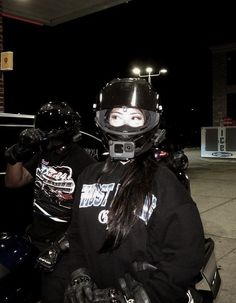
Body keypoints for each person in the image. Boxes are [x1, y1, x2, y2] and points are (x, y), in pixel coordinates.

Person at [55, 78, 205, 303]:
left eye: (135, 118)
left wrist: (142, 295)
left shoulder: (164, 183)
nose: (124, 126)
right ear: (104, 121)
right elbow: (76, 235)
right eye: (116, 117)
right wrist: (79, 273)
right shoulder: (88, 176)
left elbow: (186, 256)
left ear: (149, 124)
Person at [4, 100, 97, 253]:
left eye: (46, 130)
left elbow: (87, 218)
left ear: (61, 133)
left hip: (63, 247)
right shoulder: (43, 154)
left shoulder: (85, 163)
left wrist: (61, 247)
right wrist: (17, 153)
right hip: (34, 238)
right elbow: (13, 182)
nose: (41, 135)